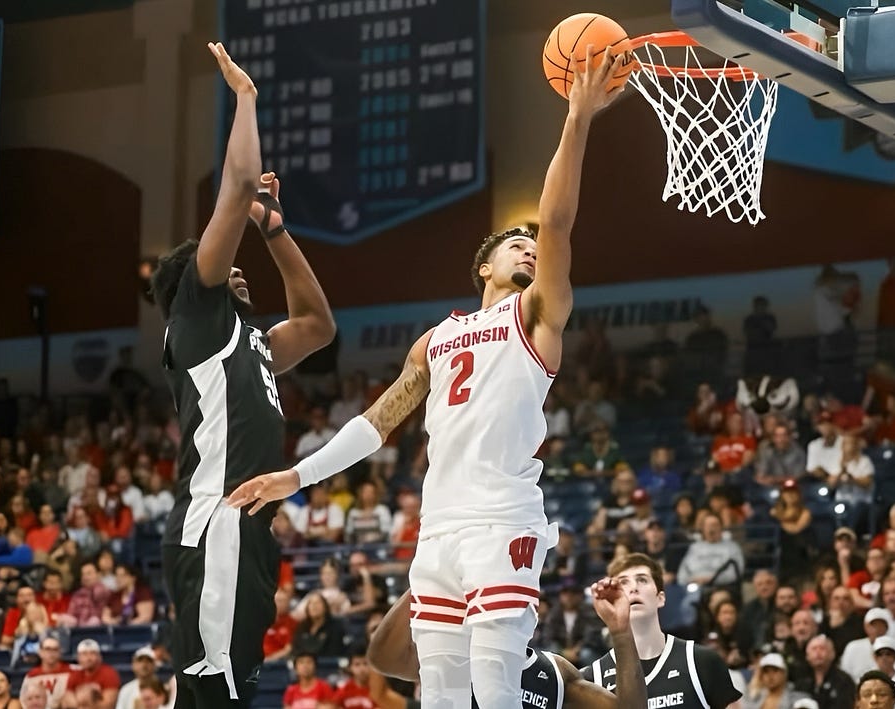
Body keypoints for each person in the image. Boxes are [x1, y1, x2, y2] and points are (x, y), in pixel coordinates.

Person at [226, 49, 630, 709]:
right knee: (440, 692)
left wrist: (577, 119)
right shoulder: (435, 340)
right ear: (483, 266)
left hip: (503, 518)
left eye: (531, 245)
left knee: (497, 687)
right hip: (438, 528)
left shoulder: (538, 316)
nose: (529, 247)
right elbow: (376, 422)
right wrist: (294, 477)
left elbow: (557, 222)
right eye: (513, 244)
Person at [149, 42, 336, 707]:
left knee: (226, 693)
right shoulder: (197, 317)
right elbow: (235, 184)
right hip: (218, 523)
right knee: (213, 698)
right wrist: (247, 100)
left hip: (247, 532)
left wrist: (276, 230)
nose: (234, 265)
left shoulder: (248, 338)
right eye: (216, 261)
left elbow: (318, 325)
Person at [368, 578, 643, 709]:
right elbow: (382, 658)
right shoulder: (454, 657)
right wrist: (429, 575)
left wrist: (620, 632)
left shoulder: (554, 671)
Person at [580, 554, 744, 709]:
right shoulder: (593, 677)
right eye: (623, 583)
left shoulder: (701, 661)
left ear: (661, 598)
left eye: (642, 580)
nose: (634, 588)